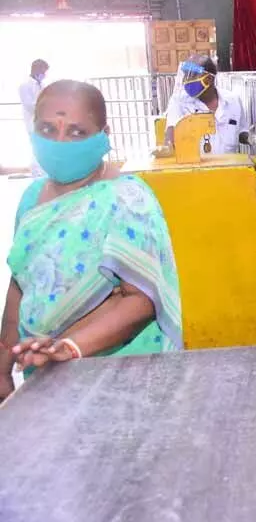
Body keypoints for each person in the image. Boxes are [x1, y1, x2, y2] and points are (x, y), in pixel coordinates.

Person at [0, 80, 182, 402]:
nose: (59, 141)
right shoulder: (31, 198)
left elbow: (140, 299)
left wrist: (69, 347)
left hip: (118, 372)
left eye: (76, 132)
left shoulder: (128, 199)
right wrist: (4, 360)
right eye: (47, 129)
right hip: (41, 367)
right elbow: (21, 280)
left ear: (103, 135)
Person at [164, 55, 249, 154]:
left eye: (192, 75)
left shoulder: (233, 101)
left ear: (209, 79)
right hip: (196, 167)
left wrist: (253, 139)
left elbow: (242, 132)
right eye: (186, 75)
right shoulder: (179, 101)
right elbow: (171, 129)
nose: (186, 81)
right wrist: (167, 147)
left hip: (228, 166)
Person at [18, 59, 49, 177]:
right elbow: (28, 105)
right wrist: (44, 105)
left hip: (44, 121)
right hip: (32, 121)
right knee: (36, 147)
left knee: (44, 146)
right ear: (36, 69)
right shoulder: (24, 86)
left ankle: (44, 172)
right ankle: (37, 173)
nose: (44, 74)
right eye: (43, 71)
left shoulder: (43, 85)